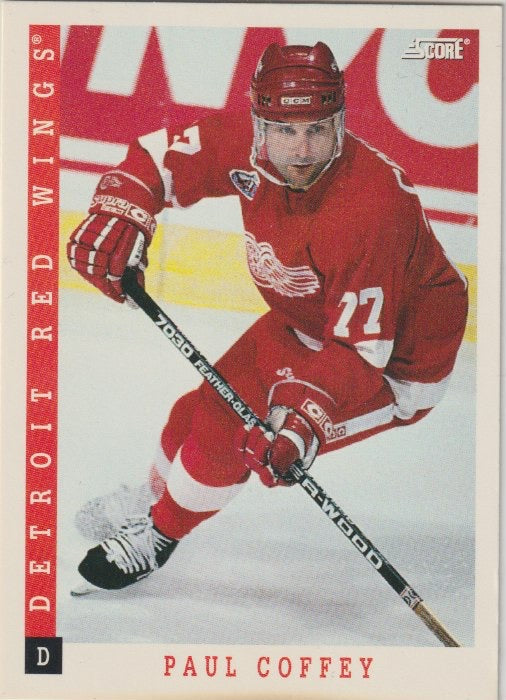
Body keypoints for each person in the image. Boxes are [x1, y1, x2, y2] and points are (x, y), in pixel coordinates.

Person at [68, 42, 468, 592]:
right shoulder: (243, 144)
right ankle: (153, 500)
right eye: (284, 130)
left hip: (395, 362)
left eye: (317, 130)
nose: (301, 150)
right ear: (259, 124)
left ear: (341, 122)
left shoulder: (371, 207)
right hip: (308, 323)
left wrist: (303, 422)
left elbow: (359, 353)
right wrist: (121, 207)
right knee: (195, 410)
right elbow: (157, 160)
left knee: (230, 434)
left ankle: (159, 536)